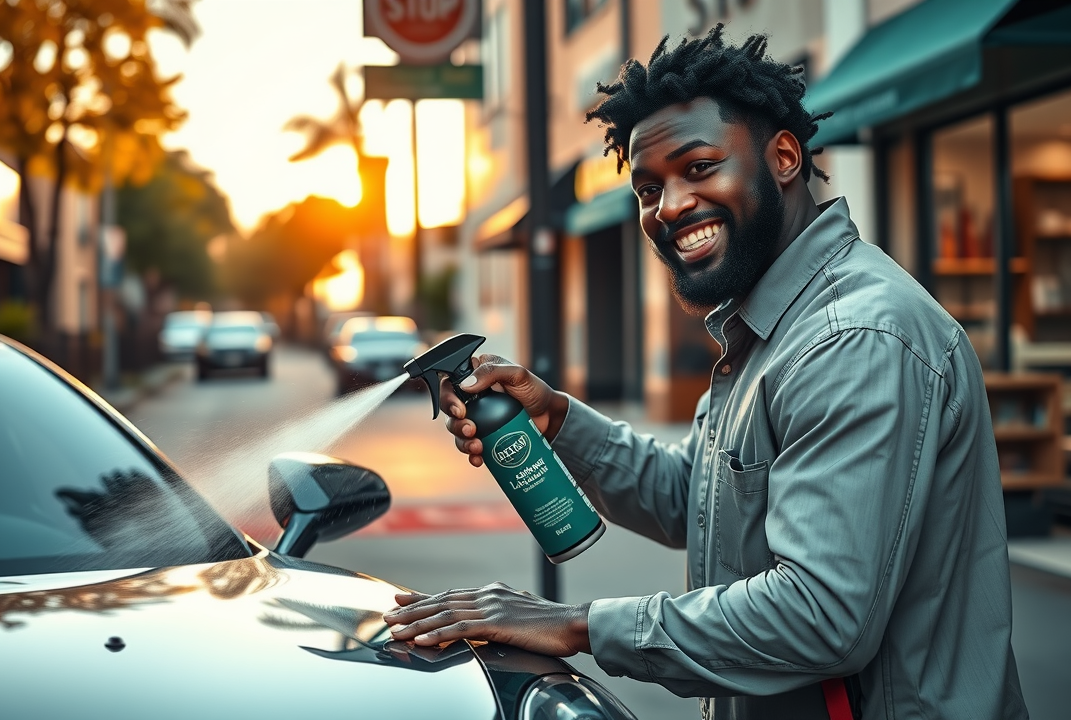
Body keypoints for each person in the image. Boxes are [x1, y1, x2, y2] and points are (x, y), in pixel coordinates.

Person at [383, 26, 1028, 720]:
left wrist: (576, 624)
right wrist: (560, 420)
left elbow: (820, 615)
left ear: (783, 156)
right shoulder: (768, 329)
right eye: (648, 188)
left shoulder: (852, 338)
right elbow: (699, 499)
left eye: (699, 167)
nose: (671, 207)